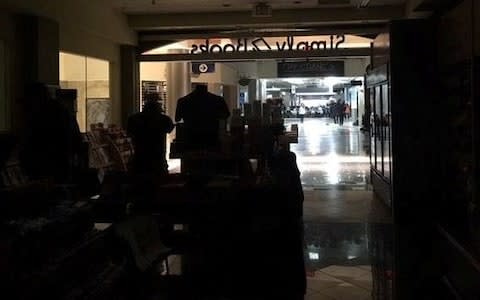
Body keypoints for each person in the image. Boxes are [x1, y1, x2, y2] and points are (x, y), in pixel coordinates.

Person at [19, 82, 83, 183]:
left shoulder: (36, 115)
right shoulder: (63, 111)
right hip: (62, 165)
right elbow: (77, 139)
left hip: (43, 167)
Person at [127, 93, 174, 176]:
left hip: (140, 161)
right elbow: (169, 129)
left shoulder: (134, 119)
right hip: (158, 161)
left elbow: (129, 133)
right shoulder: (164, 119)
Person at [175, 84, 230, 152]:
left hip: (190, 139)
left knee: (190, 161)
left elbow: (177, 119)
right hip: (211, 138)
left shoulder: (183, 101)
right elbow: (226, 115)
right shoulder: (218, 100)